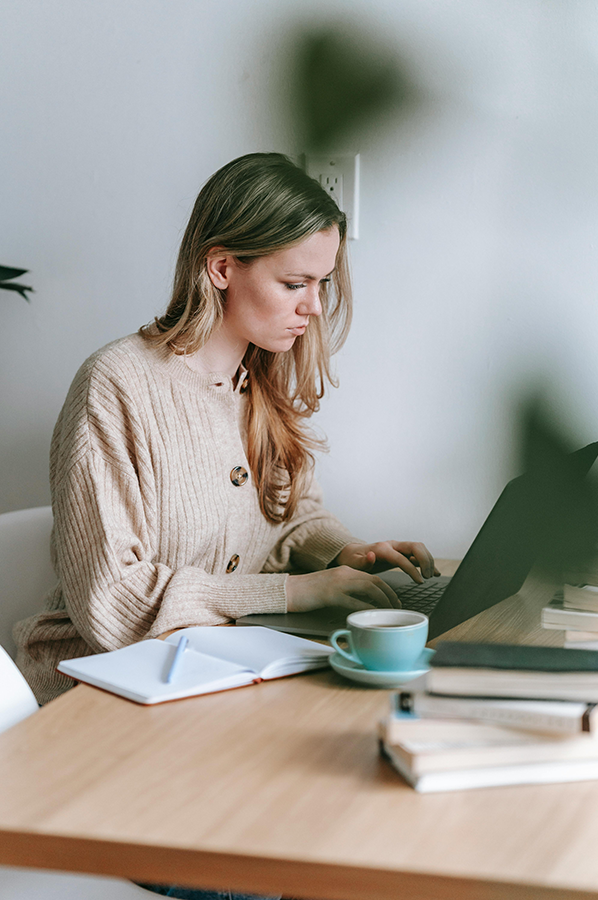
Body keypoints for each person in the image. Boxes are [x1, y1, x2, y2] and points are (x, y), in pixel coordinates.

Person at [13, 152, 438, 900]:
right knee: (273, 832)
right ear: (220, 268)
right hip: (102, 707)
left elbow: (286, 517)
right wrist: (301, 596)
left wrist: (346, 551)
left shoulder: (252, 386)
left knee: (351, 802)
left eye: (322, 285)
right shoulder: (117, 385)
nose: (312, 306)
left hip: (215, 685)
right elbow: (112, 605)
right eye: (294, 283)